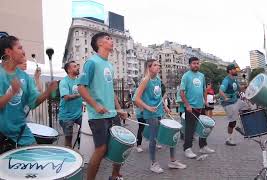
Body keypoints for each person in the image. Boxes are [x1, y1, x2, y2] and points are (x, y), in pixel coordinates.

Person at [78, 32, 127, 180]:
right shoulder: (91, 62)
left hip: (112, 114)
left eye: (111, 39)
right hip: (98, 116)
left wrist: (119, 109)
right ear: (99, 43)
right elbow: (81, 87)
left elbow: (111, 91)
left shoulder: (109, 66)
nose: (111, 41)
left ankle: (114, 176)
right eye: (108, 38)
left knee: (120, 145)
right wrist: (95, 105)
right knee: (101, 149)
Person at [0, 35, 57, 151]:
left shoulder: (25, 77)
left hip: (21, 132)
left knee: (34, 158)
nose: (23, 52)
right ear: (8, 51)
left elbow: (33, 103)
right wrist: (11, 93)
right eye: (20, 48)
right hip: (2, 134)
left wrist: (47, 92)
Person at [135, 59, 186, 173]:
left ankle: (173, 161)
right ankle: (153, 163)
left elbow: (158, 97)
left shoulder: (158, 79)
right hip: (150, 114)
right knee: (153, 139)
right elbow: (136, 98)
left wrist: (165, 106)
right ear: (149, 68)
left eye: (158, 65)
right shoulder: (145, 80)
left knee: (171, 133)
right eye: (155, 65)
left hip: (159, 112)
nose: (158, 66)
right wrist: (147, 107)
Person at [180, 57, 215, 159]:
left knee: (203, 127)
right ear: (190, 65)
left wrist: (205, 102)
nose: (196, 65)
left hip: (201, 106)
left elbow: (204, 90)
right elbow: (182, 92)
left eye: (197, 63)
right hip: (191, 107)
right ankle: (187, 149)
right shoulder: (186, 76)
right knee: (189, 129)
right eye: (194, 63)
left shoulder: (201, 76)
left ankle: (203, 146)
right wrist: (187, 105)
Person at [219, 64, 249, 146]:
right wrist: (225, 98)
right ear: (230, 71)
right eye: (234, 69)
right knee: (232, 122)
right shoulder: (226, 80)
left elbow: (240, 89)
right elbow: (220, 91)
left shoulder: (234, 80)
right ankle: (229, 139)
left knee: (247, 107)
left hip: (235, 100)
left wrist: (247, 86)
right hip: (228, 103)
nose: (236, 70)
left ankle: (240, 126)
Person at [58, 61, 83, 147]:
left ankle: (82, 146)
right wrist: (80, 95)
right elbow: (66, 97)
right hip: (67, 116)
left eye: (77, 66)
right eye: (75, 66)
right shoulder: (64, 82)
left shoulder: (79, 81)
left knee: (89, 126)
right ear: (69, 70)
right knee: (69, 140)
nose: (78, 68)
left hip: (78, 114)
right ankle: (69, 157)